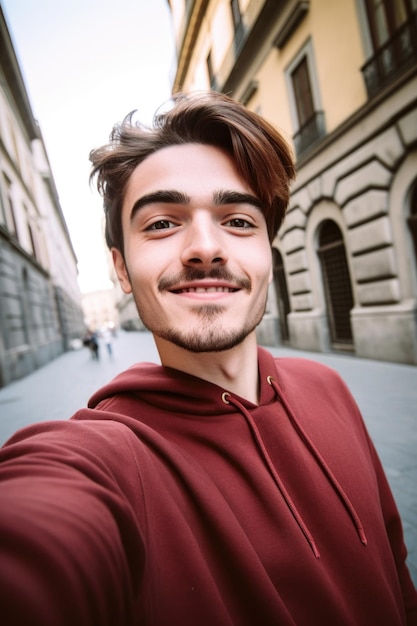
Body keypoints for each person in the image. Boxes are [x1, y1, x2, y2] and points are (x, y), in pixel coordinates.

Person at [0, 91, 416, 626]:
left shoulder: (328, 384)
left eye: (239, 221)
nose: (205, 247)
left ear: (268, 252)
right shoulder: (107, 458)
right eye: (161, 223)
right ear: (121, 270)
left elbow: (397, 575)